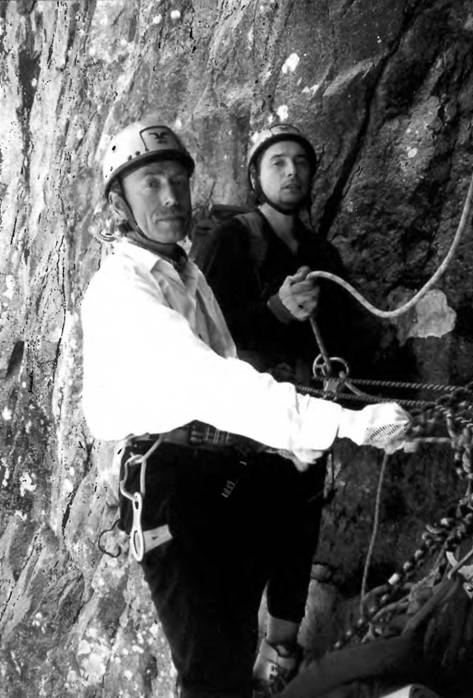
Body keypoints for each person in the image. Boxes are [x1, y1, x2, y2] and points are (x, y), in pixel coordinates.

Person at [81, 115, 410, 698]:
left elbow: (227, 364)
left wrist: (289, 434)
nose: (170, 196)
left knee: (232, 641)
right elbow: (212, 380)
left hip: (219, 468)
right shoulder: (124, 289)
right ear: (119, 203)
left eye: (178, 181)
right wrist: (344, 423)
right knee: (210, 668)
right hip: (170, 483)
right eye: (151, 183)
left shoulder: (183, 271)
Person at [192, 123, 379, 694]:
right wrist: (275, 309)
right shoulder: (230, 241)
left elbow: (346, 333)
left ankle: (281, 653)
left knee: (298, 537)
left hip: (309, 416)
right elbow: (203, 332)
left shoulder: (323, 256)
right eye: (278, 162)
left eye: (300, 162)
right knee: (246, 542)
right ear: (256, 175)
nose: (292, 171)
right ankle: (231, 660)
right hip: (248, 428)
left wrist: (345, 369)